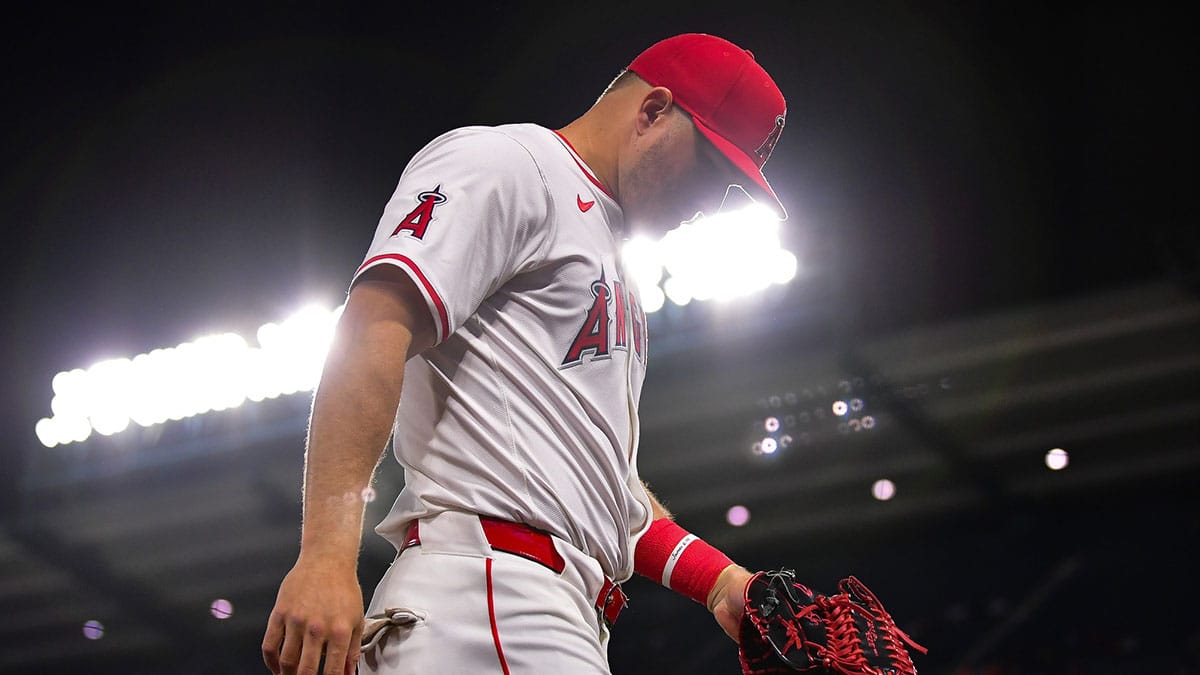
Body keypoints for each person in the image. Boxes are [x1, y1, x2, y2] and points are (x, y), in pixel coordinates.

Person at [262, 33, 788, 675]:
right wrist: (324, 556)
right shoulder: (509, 164)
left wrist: (720, 582)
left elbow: (602, 491)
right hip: (495, 597)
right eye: (712, 169)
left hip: (538, 609)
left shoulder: (612, 257)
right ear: (652, 110)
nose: (713, 201)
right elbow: (375, 323)